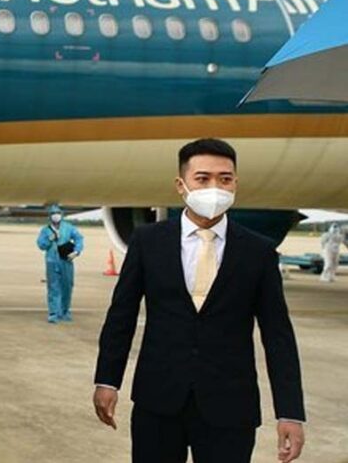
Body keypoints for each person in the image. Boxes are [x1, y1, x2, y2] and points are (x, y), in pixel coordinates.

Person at [93, 138, 306, 463]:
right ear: (182, 185)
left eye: (225, 179)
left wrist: (290, 412)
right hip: (158, 401)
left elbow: (278, 336)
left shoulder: (258, 252)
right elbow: (121, 316)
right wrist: (107, 380)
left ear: (236, 183)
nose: (215, 187)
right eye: (202, 179)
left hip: (230, 408)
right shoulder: (148, 242)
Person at [36, 204, 83, 323]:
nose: (55, 216)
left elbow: (79, 238)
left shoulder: (68, 228)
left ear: (61, 215)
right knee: (53, 287)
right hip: (52, 261)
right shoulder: (45, 230)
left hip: (66, 260)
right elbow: (41, 245)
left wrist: (76, 251)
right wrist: (49, 239)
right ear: (49, 216)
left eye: (57, 213)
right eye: (53, 213)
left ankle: (65, 311)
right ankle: (54, 313)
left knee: (67, 286)